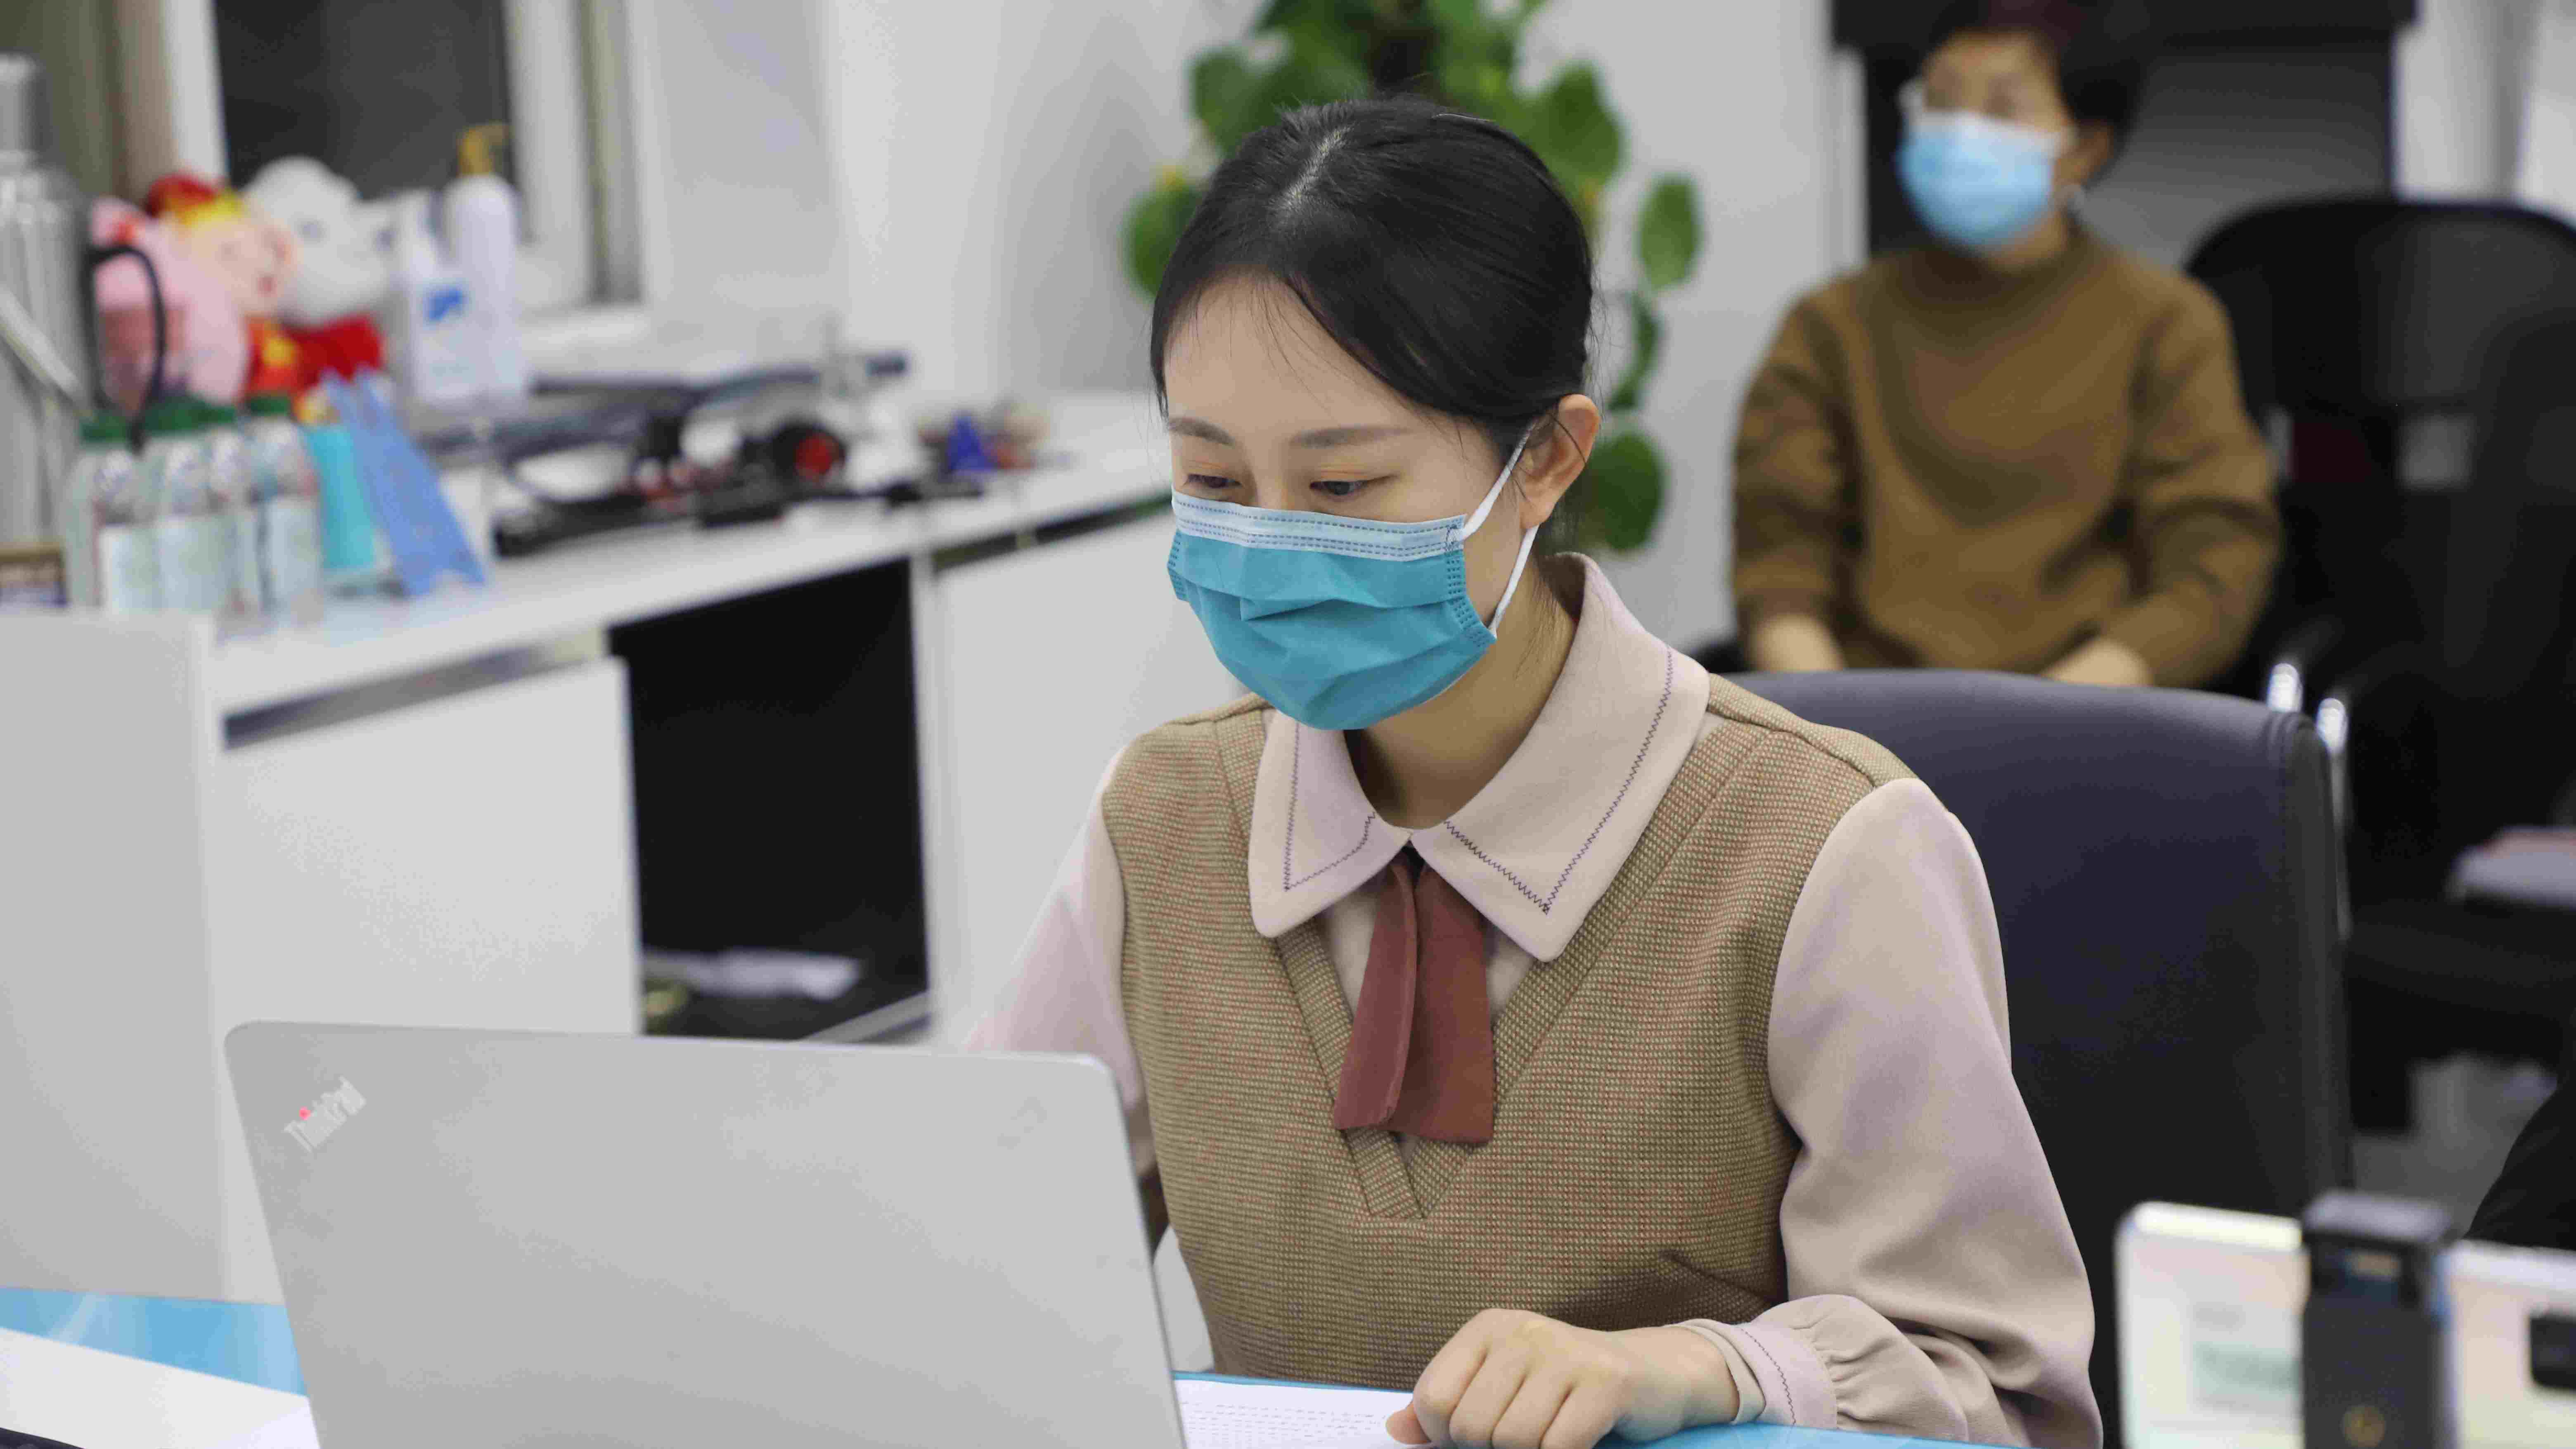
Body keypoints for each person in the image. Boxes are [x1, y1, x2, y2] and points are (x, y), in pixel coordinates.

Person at [970, 96, 2099, 1449]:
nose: (1268, 546)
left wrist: (1707, 1370)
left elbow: (2000, 1395)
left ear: (1548, 460)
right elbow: (966, 1269)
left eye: (1342, 489)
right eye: (1213, 480)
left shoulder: (1825, 846)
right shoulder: (1161, 824)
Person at [1732, 0, 2278, 689]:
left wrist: (2057, 715)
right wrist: (1837, 727)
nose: (1962, 132)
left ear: (2086, 148)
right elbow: (1780, 564)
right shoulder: (1830, 326)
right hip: (1863, 717)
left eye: (2002, 108)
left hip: (2092, 711)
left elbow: (2214, 569)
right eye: (1940, 100)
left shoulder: (2168, 324)